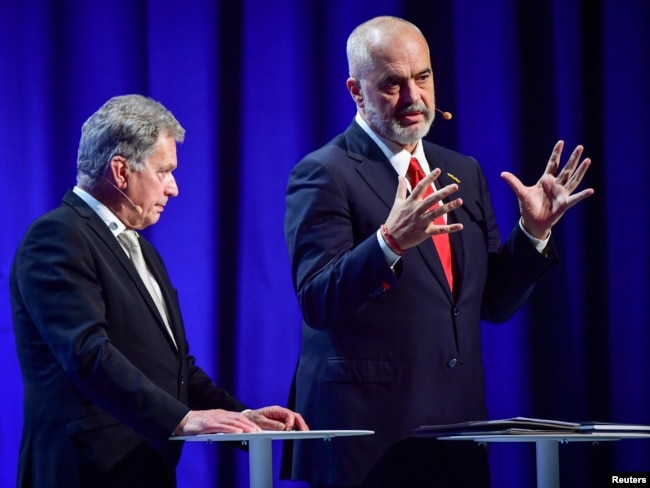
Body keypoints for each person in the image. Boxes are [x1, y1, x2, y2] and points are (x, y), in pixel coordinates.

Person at [282, 16, 593, 488]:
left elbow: (490, 303)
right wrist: (389, 242)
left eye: (422, 78)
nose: (413, 98)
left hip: (458, 435)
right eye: (392, 83)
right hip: (367, 441)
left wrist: (532, 233)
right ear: (355, 90)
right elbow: (317, 300)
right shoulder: (324, 173)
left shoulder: (462, 172)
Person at [10, 94, 307, 488]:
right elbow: (86, 354)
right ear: (121, 171)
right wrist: (182, 419)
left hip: (143, 467)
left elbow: (175, 370)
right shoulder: (57, 237)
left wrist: (241, 419)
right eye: (164, 171)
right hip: (83, 471)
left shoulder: (141, 248)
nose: (174, 189)